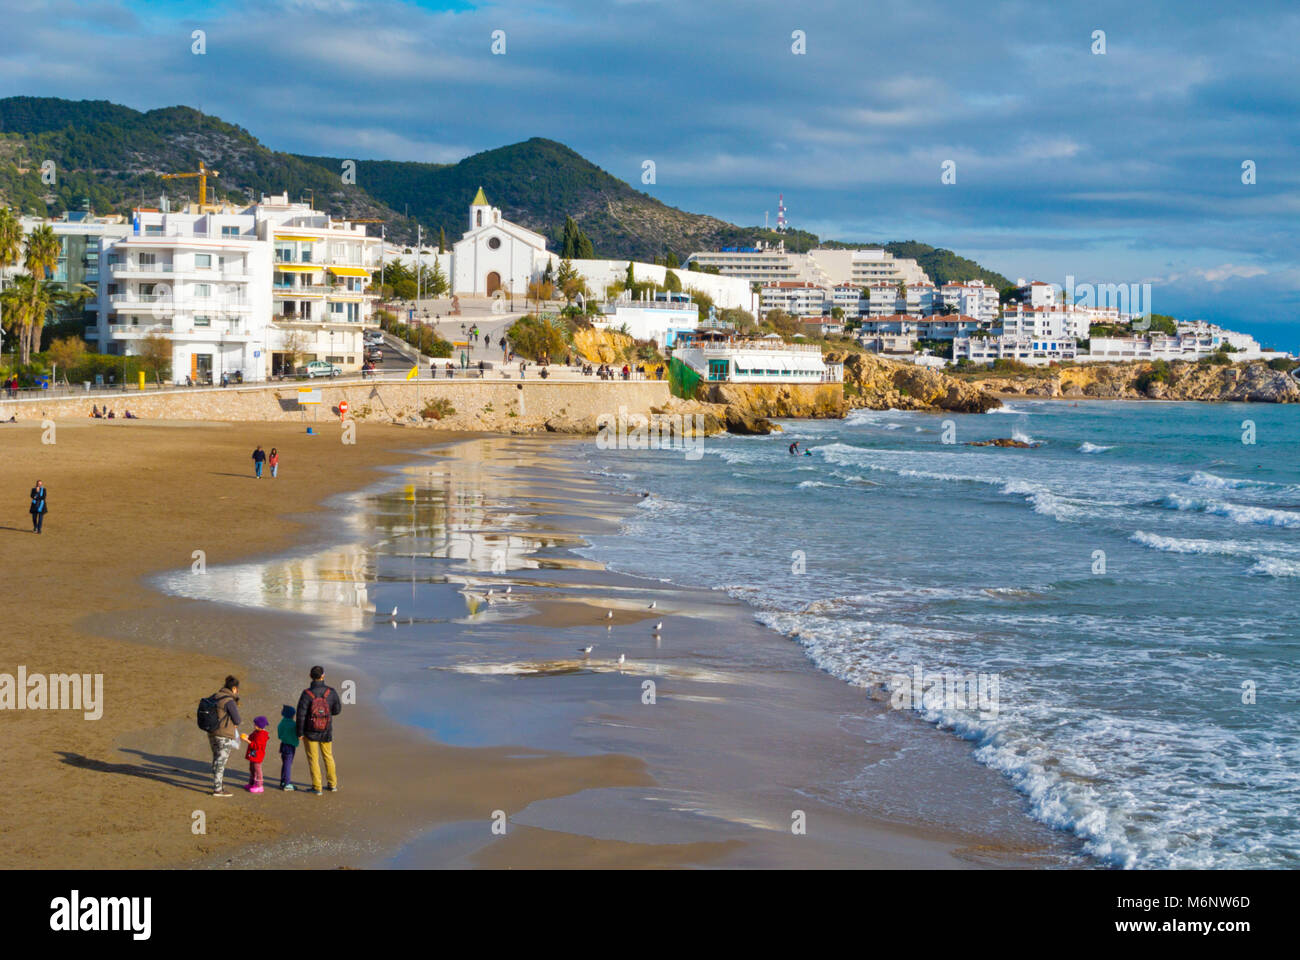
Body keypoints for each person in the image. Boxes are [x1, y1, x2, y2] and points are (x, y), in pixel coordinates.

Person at [295, 665, 342, 795]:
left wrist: (299, 733)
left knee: (313, 759)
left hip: (310, 732)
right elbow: (337, 710)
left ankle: (317, 787)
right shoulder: (331, 692)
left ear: (310, 676)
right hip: (326, 730)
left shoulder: (306, 694)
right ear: (323, 675)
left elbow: (301, 715)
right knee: (328, 757)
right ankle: (332, 785)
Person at [207, 675, 249, 797]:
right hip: (224, 734)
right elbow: (237, 720)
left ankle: (217, 784)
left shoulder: (215, 696)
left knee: (216, 758)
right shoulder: (229, 701)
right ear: (234, 688)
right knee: (221, 761)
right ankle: (218, 789)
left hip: (211, 732)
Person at [245, 716, 270, 794]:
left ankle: (259, 786)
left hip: (258, 755)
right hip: (253, 753)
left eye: (255, 724)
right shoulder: (256, 732)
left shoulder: (262, 735)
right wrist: (247, 737)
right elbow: (251, 737)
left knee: (257, 769)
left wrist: (247, 741)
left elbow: (256, 746)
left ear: (260, 726)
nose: (254, 726)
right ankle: (252, 783)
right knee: (252, 768)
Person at [277, 704, 299, 791]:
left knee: (285, 764)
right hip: (290, 747)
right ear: (292, 715)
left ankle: (283, 781)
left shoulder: (281, 723)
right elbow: (299, 734)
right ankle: (287, 783)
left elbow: (279, 735)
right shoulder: (294, 724)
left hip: (283, 744)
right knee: (288, 765)